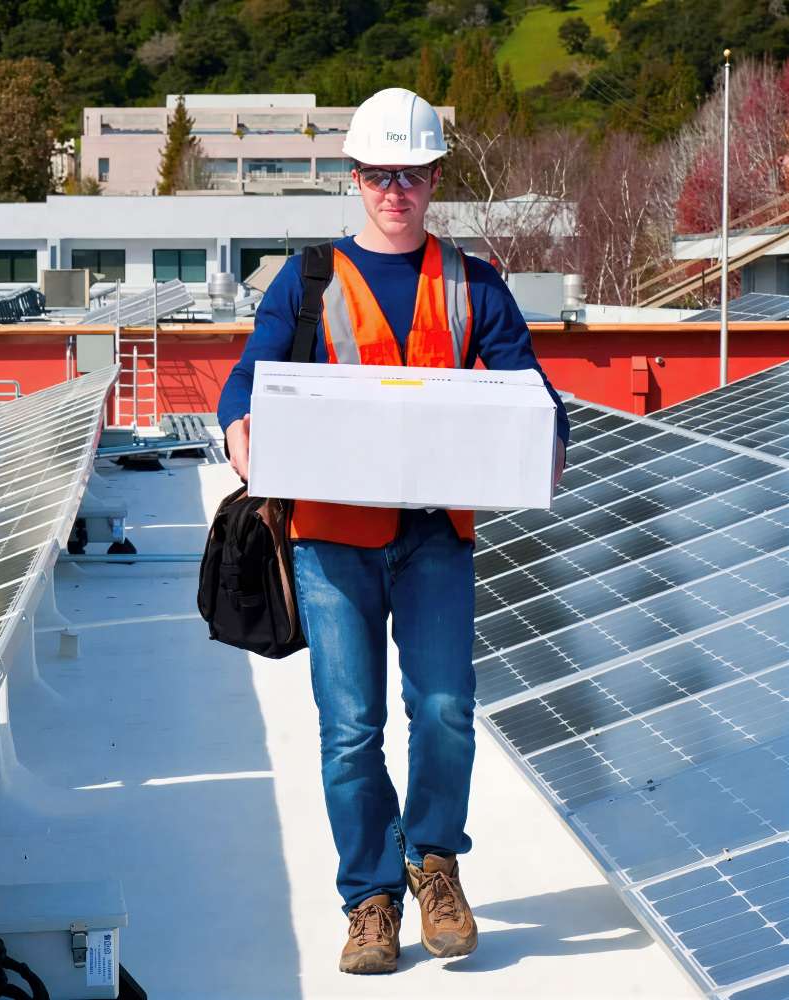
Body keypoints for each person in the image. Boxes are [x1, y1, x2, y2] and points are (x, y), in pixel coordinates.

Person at [217, 88, 569, 975]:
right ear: (355, 176)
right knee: (349, 727)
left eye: (410, 175)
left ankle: (435, 862)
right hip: (332, 541)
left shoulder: (472, 286)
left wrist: (549, 438)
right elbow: (245, 384)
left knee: (446, 708)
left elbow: (528, 389)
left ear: (435, 179)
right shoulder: (306, 283)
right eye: (379, 174)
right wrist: (238, 430)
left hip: (434, 540)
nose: (394, 190)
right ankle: (369, 896)